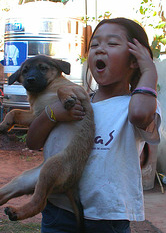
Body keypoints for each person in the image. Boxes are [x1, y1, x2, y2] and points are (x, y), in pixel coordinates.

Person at [26, 18, 161, 233]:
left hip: (107, 214)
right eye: (94, 45)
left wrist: (149, 71)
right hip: (60, 207)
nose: (100, 50)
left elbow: (139, 115)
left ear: (134, 60)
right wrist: (52, 113)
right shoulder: (74, 101)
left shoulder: (137, 103)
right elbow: (33, 141)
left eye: (112, 44)